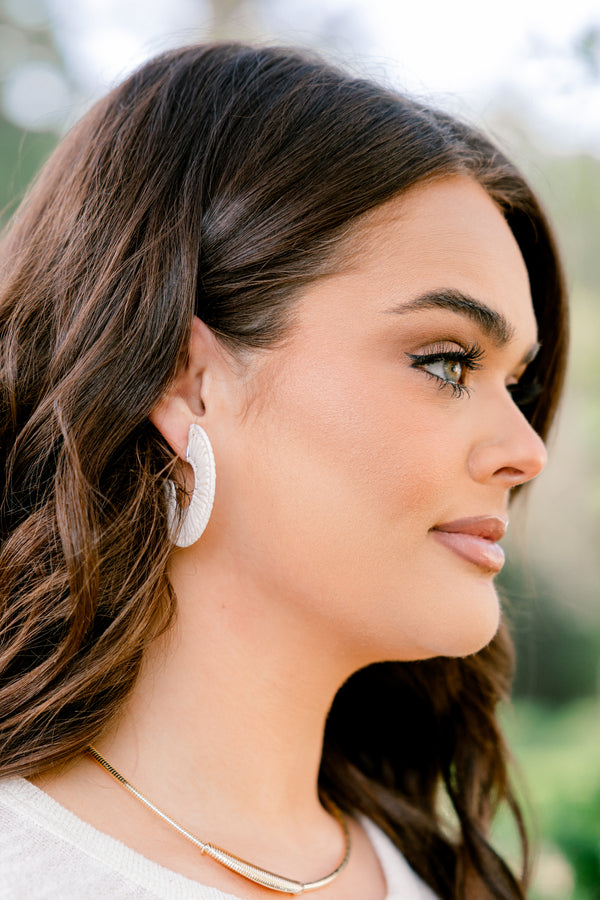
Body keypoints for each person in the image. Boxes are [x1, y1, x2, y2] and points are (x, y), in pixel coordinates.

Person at [0, 42, 568, 900]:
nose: (528, 451)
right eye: (448, 362)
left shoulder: (450, 876)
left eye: (518, 384)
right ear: (186, 383)